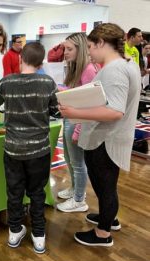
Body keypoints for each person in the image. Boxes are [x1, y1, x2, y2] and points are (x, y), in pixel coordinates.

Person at [59, 23, 141, 246]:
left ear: (102, 43)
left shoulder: (114, 69)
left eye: (91, 47)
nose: (90, 52)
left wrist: (76, 112)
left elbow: (115, 110)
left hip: (106, 138)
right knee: (107, 186)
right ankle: (109, 218)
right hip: (112, 136)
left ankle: (103, 233)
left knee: (105, 186)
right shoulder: (128, 63)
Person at [0, 42, 58, 254]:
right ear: (41, 61)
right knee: (37, 193)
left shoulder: (6, 82)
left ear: (20, 59)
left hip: (13, 149)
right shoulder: (47, 82)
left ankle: (15, 231)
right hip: (39, 150)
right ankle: (39, 236)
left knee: (14, 192)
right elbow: (55, 111)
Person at [56, 32, 98, 213]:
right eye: (65, 48)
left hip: (77, 122)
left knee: (78, 163)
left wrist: (78, 130)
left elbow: (88, 103)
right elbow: (75, 92)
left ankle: (79, 199)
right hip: (70, 119)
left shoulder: (88, 70)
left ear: (80, 50)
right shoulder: (75, 68)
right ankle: (75, 190)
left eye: (69, 49)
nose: (65, 52)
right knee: (69, 159)